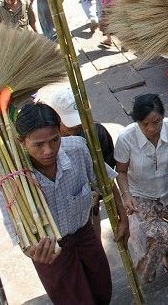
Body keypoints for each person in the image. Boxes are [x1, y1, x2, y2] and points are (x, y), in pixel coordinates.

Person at [0, 102, 129, 304]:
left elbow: (106, 180)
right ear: (21, 142)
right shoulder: (12, 179)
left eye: (54, 140)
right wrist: (32, 251)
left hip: (85, 235)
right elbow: (15, 228)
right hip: (52, 253)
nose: (48, 150)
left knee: (102, 290)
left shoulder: (77, 149)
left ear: (61, 131)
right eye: (38, 145)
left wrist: (123, 218)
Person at [114, 94, 168, 284]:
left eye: (156, 122)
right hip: (141, 194)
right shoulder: (126, 139)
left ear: (163, 117)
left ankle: (166, 256)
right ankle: (146, 272)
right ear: (137, 122)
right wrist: (126, 195)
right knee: (159, 234)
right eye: (145, 124)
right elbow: (121, 171)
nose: (151, 128)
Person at [48, 86, 117, 238]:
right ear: (55, 118)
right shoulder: (44, 145)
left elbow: (108, 171)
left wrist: (96, 194)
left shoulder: (96, 134)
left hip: (88, 213)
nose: (76, 127)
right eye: (69, 123)